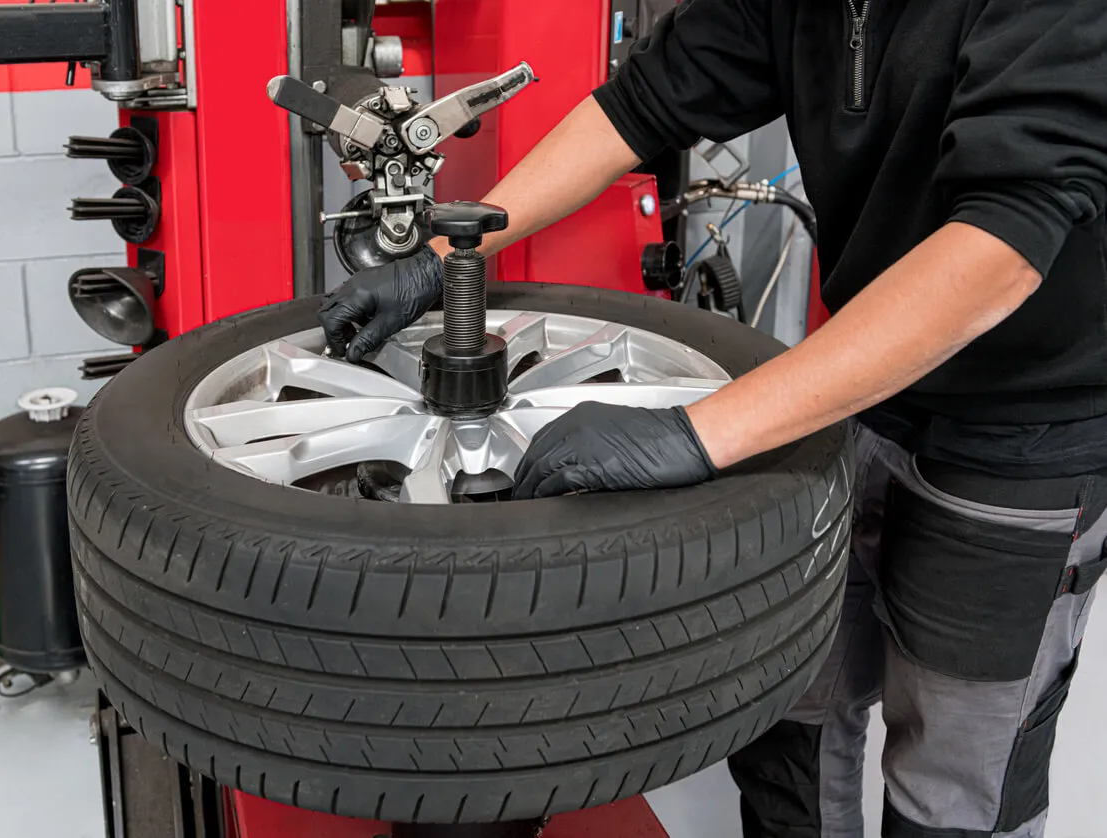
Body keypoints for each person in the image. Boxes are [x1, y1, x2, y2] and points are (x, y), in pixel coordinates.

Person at [317, 1, 1107, 835]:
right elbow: (641, 106)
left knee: (951, 787)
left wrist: (700, 432)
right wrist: (445, 261)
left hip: (1021, 433)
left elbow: (1004, 246)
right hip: (860, 386)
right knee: (787, 717)